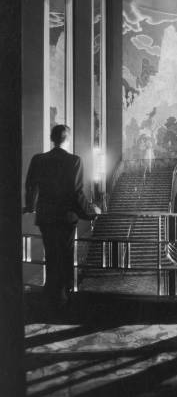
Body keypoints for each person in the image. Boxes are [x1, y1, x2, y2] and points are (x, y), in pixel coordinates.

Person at [23, 125, 101, 309]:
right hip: (65, 218)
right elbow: (75, 193)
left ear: (52, 138)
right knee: (65, 256)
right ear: (68, 139)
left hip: (46, 217)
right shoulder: (74, 161)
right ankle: (63, 298)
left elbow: (30, 187)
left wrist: (31, 206)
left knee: (50, 254)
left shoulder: (38, 159)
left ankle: (50, 295)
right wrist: (91, 212)